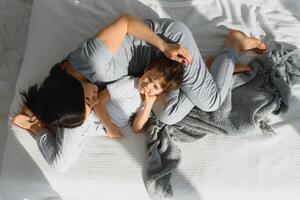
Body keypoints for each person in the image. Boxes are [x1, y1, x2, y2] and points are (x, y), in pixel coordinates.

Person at [12, 15, 266, 171]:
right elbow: (69, 118)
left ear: (75, 88)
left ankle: (232, 46)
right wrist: (37, 124)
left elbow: (126, 22)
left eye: (89, 101)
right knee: (167, 114)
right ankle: (203, 72)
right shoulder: (66, 92)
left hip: (165, 46)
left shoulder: (93, 61)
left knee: (211, 101)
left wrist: (165, 46)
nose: (94, 101)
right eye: (91, 105)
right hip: (151, 74)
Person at [92, 55, 185, 139]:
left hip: (97, 128)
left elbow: (136, 129)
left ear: (161, 93)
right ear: (146, 70)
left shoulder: (148, 101)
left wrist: (147, 106)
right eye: (149, 78)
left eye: (155, 87)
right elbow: (99, 99)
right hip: (92, 116)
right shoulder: (130, 85)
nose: (148, 85)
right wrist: (109, 126)